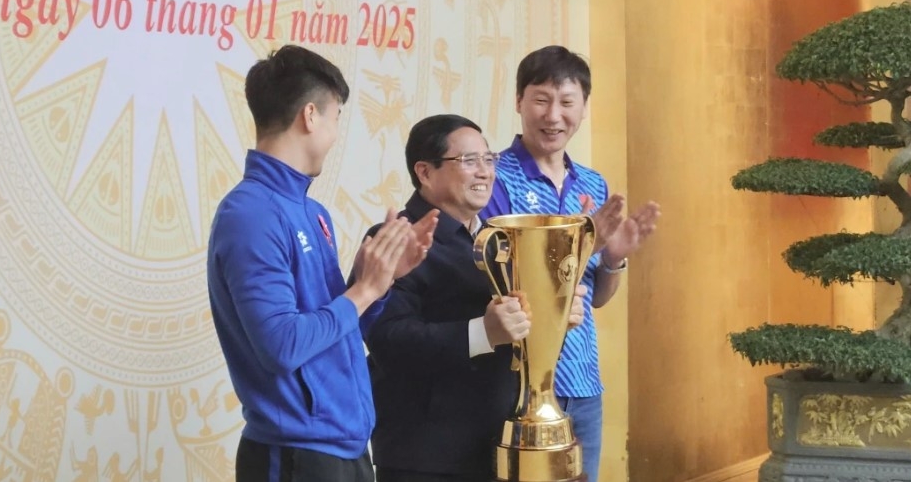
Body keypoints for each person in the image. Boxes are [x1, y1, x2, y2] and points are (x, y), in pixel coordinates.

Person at [206, 44, 439, 482]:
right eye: (335, 118)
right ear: (310, 116)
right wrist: (364, 289)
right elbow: (282, 346)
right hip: (293, 455)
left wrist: (384, 280)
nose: (335, 134)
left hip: (342, 446)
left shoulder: (312, 213)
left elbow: (335, 325)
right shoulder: (250, 214)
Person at [359, 114, 583, 482]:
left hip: (498, 445)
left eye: (488, 159)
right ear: (425, 172)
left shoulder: (498, 239)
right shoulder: (396, 237)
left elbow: (516, 329)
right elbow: (387, 339)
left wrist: (552, 316)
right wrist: (482, 332)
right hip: (427, 457)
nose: (484, 172)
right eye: (468, 161)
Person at [481, 45, 661, 482]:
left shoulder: (592, 184)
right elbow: (500, 278)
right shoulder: (494, 178)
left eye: (567, 102)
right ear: (519, 101)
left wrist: (613, 256)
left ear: (583, 108)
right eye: (541, 99)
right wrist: (587, 244)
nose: (553, 115)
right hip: (519, 385)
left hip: (582, 380)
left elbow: (596, 296)